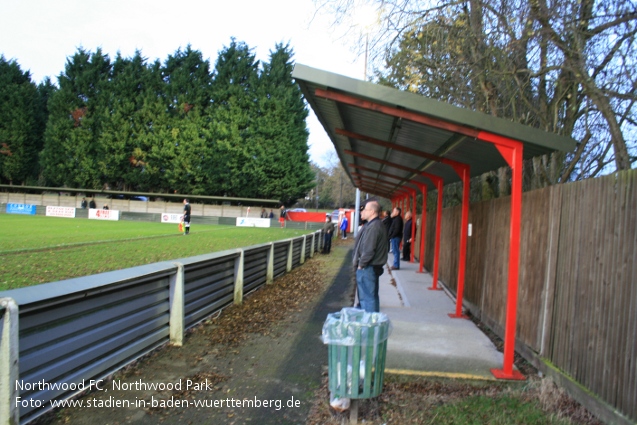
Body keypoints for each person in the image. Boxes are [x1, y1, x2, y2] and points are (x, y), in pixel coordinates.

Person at [352, 200, 388, 312]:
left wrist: (361, 265)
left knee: (367, 299)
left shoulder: (374, 227)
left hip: (368, 267)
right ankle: (372, 324)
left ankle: (369, 326)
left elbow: (368, 250)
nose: (363, 212)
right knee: (371, 297)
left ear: (372, 211)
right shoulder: (375, 225)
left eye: (365, 210)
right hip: (370, 267)